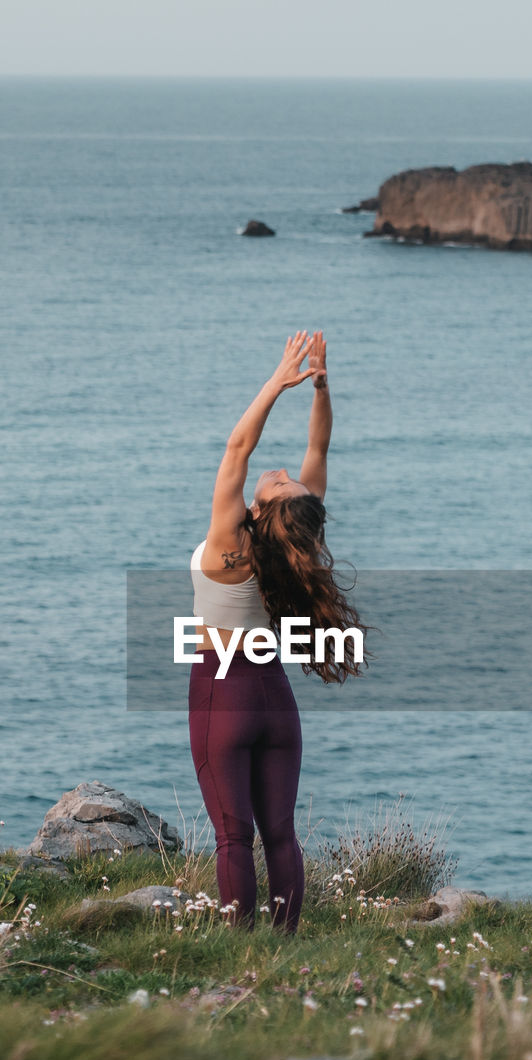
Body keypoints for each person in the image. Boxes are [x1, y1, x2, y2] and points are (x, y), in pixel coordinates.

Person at [188, 331, 366, 933]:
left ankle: (238, 949)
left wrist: (277, 382)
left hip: (223, 691)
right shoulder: (297, 546)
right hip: (276, 700)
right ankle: (286, 943)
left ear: (261, 510)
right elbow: (321, 446)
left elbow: (238, 448)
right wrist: (321, 389)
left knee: (234, 837)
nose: (283, 471)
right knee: (280, 834)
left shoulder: (228, 547)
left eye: (279, 482)